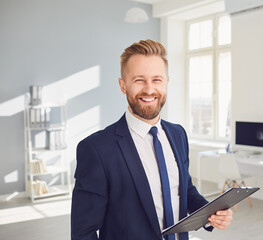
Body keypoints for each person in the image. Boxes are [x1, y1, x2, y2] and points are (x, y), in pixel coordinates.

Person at [71, 39, 233, 240]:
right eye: (139, 80)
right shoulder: (96, 149)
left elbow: (184, 190)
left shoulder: (178, 134)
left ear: (166, 83)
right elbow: (83, 232)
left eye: (156, 79)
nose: (149, 89)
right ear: (123, 85)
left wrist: (211, 213)